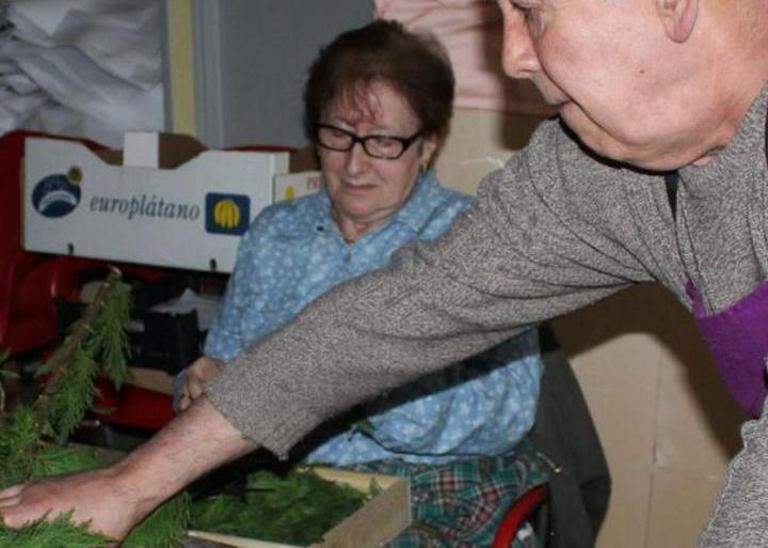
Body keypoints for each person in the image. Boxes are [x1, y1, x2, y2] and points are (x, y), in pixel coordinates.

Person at [0, 0, 768, 544]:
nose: (511, 55)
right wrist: (128, 485)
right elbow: (385, 322)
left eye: (533, 10)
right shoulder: (601, 173)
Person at [173, 21, 545, 546]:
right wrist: (201, 386)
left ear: (427, 146)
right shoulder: (275, 235)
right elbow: (222, 366)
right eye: (337, 136)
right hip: (279, 484)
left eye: (384, 142)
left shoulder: (475, 241)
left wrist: (357, 391)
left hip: (422, 490)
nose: (355, 163)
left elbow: (509, 413)